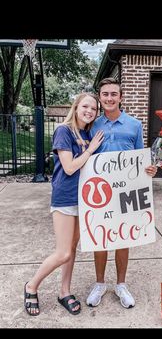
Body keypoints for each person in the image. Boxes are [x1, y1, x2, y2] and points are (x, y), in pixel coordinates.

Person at [24, 92, 104, 316]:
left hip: (84, 198)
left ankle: (64, 291)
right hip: (65, 197)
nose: (89, 111)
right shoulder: (64, 130)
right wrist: (90, 150)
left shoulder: (88, 133)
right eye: (86, 106)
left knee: (71, 249)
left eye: (94, 109)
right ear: (76, 107)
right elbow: (69, 167)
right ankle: (31, 286)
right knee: (62, 253)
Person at [86, 78, 157, 309]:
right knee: (100, 237)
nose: (109, 98)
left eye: (113, 94)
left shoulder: (134, 125)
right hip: (99, 191)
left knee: (123, 237)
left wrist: (149, 168)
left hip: (125, 191)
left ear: (121, 97)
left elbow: (139, 158)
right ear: (100, 96)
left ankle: (121, 285)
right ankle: (99, 284)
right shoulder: (92, 125)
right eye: (105, 94)